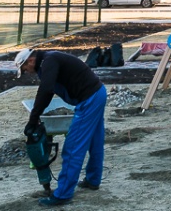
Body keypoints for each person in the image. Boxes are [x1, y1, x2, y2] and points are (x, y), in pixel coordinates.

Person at [16, 48, 107, 206]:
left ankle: (63, 194)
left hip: (88, 100)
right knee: (94, 141)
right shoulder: (49, 60)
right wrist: (36, 116)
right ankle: (93, 180)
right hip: (97, 93)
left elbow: (45, 90)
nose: (26, 72)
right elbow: (49, 89)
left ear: (30, 61)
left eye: (25, 69)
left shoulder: (48, 61)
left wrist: (33, 119)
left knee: (72, 148)